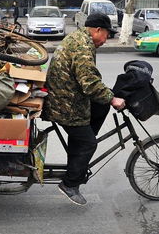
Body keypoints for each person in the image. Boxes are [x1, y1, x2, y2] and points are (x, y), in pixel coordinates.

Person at [42, 12, 126, 206]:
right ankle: (70, 185)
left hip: (67, 97)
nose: (106, 40)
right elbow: (89, 82)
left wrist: (107, 97)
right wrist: (113, 99)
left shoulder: (79, 37)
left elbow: (88, 79)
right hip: (65, 105)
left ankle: (79, 149)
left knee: (101, 104)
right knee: (89, 143)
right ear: (97, 30)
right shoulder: (83, 46)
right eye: (107, 34)